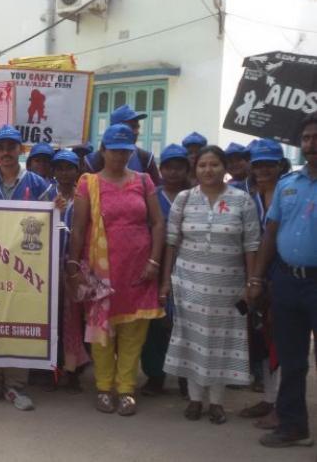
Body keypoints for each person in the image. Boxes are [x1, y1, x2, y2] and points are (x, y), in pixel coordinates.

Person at [67, 123, 165, 416]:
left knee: (134, 333)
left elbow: (158, 223)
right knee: (102, 332)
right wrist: (73, 265)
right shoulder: (89, 183)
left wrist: (154, 262)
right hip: (101, 272)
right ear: (103, 150)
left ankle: (126, 389)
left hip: (139, 270)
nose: (120, 156)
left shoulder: (144, 181)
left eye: (125, 151)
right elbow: (79, 228)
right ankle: (103, 387)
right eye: (114, 151)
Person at [160, 145, 260, 424]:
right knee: (192, 340)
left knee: (221, 342)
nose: (208, 170)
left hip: (228, 288)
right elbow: (171, 242)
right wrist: (166, 282)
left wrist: (252, 282)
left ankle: (216, 402)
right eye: (203, 165)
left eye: (214, 164)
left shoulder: (242, 200)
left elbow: (251, 245)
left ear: (224, 167)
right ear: (196, 169)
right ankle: (194, 399)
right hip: (189, 285)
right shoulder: (184, 199)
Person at [249, 114, 317, 449]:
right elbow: (271, 233)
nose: (311, 144)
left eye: (316, 137)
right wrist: (257, 277)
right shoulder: (288, 185)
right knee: (291, 359)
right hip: (288, 281)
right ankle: (293, 426)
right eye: (306, 138)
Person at [0, 125, 49, 411]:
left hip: (25, 269)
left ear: (21, 150)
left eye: (11, 147)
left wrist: (59, 207)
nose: (5, 153)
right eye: (0, 147)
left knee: (19, 322)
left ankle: (16, 386)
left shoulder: (40, 185)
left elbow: (52, 224)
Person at [239, 139, 285, 428]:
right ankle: (270, 398)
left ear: (280, 165)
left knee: (284, 341)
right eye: (258, 165)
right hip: (254, 276)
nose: (263, 170)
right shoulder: (247, 197)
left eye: (269, 164)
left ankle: (284, 403)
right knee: (262, 339)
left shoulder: (289, 193)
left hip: (285, 275)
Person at [140, 144, 192, 397]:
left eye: (179, 167)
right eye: (169, 167)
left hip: (189, 266)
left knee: (186, 323)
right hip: (155, 262)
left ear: (186, 170)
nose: (173, 172)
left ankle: (186, 377)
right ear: (161, 170)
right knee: (155, 323)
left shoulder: (195, 196)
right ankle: (155, 375)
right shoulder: (152, 195)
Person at [48, 149, 90, 392]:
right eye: (60, 168)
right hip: (48, 266)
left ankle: (72, 371)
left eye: (69, 168)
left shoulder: (85, 196)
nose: (64, 173)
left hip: (74, 266)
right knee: (50, 319)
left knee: (72, 321)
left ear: (77, 171)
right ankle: (50, 370)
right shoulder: (47, 194)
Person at [84, 105, 162, 185]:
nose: (137, 132)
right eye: (132, 127)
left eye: (137, 127)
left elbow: (156, 189)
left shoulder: (145, 159)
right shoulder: (92, 162)